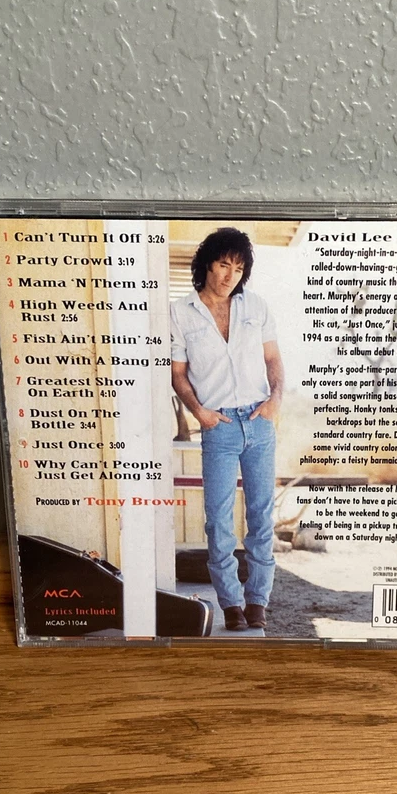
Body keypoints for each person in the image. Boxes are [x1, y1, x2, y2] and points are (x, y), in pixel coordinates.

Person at [170, 227, 284, 632]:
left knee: (261, 517)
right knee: (218, 520)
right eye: (223, 265)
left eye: (237, 268)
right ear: (207, 264)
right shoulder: (180, 312)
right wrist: (199, 412)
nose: (229, 275)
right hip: (217, 425)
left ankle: (257, 600)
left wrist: (275, 401)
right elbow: (178, 373)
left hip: (258, 421)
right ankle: (231, 604)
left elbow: (273, 360)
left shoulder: (256, 306)